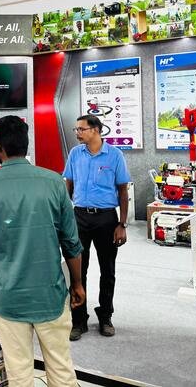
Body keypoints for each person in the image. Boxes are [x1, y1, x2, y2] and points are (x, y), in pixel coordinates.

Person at [0, 116, 84, 387]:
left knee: (19, 375)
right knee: (62, 370)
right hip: (50, 295)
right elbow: (71, 242)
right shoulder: (54, 182)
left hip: (7, 297)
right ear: (26, 144)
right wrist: (77, 283)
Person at [63, 114, 131, 340]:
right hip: (79, 217)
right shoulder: (75, 154)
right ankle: (78, 319)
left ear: (96, 130)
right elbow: (68, 185)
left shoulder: (114, 155)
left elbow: (123, 190)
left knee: (107, 270)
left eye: (81, 129)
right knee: (77, 270)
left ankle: (105, 316)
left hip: (106, 219)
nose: (77, 133)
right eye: (76, 129)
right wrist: (65, 216)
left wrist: (122, 224)